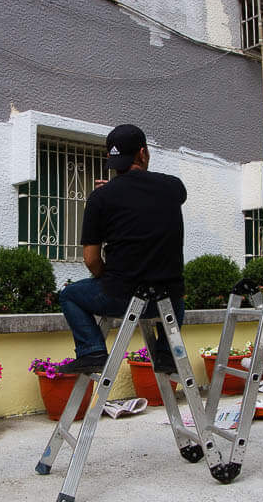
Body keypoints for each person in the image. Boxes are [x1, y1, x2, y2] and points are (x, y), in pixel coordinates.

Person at [57, 124, 186, 374]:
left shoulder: (100, 199)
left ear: (111, 159)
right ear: (142, 153)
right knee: (176, 291)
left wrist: (111, 195)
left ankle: (91, 351)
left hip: (123, 298)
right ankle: (167, 354)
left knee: (69, 295)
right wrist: (125, 194)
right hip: (167, 302)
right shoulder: (174, 188)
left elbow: (91, 259)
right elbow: (145, 199)